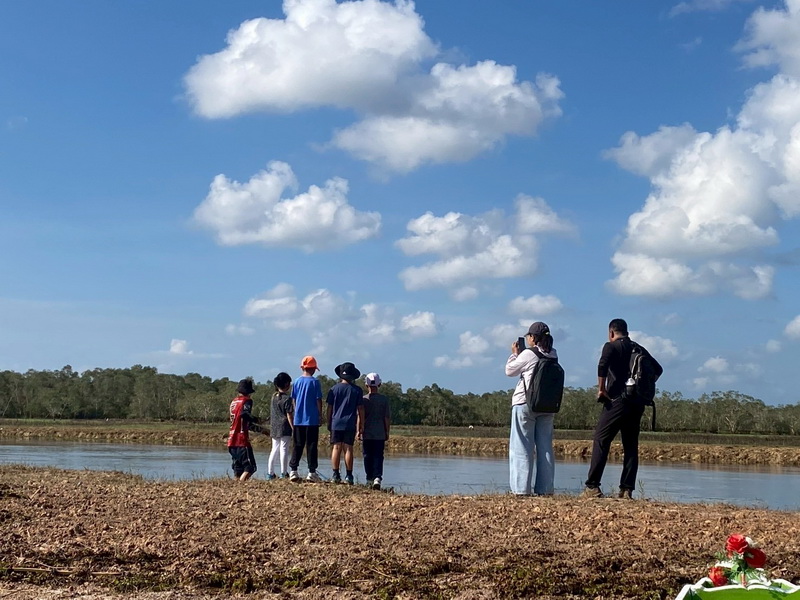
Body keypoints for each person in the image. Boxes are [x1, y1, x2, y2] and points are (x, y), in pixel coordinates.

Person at [583, 318, 663, 499]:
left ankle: (592, 487)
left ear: (611, 332)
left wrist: (601, 389)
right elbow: (658, 370)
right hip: (637, 403)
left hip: (616, 400)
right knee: (631, 445)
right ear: (627, 332)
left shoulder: (610, 346)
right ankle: (626, 490)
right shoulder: (639, 348)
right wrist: (641, 388)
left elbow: (602, 366)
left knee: (601, 440)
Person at [504, 322, 557, 496]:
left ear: (533, 338)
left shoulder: (528, 354)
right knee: (545, 447)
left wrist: (514, 354)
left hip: (525, 403)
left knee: (522, 446)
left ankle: (521, 490)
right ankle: (545, 489)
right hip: (547, 406)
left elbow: (509, 371)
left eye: (529, 336)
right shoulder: (553, 354)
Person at [326, 362, 365, 485]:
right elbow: (360, 409)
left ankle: (335, 475)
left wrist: (329, 421)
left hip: (336, 422)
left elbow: (329, 408)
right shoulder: (357, 390)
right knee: (348, 448)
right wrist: (361, 425)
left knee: (336, 447)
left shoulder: (334, 389)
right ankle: (349, 476)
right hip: (349, 423)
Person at [289, 356, 323, 483]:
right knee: (311, 445)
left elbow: (294, 399)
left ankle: (293, 470)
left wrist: (297, 412)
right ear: (313, 369)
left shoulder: (296, 382)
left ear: (303, 368)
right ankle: (311, 472)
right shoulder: (315, 382)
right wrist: (320, 415)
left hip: (298, 419)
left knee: (297, 445)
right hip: (312, 419)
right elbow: (318, 400)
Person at [227, 377, 267, 482]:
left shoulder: (234, 402)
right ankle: (241, 485)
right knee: (250, 467)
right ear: (248, 392)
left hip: (231, 441)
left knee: (238, 469)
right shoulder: (247, 401)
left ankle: (236, 486)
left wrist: (261, 430)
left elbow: (244, 423)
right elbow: (244, 415)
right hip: (241, 440)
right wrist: (257, 419)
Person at [359, 372, 391, 490]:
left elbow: (360, 416)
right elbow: (386, 417)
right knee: (378, 456)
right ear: (379, 384)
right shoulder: (384, 400)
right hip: (380, 433)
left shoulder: (363, 399)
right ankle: (377, 477)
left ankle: (369, 478)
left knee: (367, 455)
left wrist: (359, 430)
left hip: (367, 433)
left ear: (366, 385)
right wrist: (387, 431)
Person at [267, 372, 294, 480]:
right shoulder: (287, 399)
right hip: (284, 426)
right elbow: (289, 415)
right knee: (284, 449)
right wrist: (293, 428)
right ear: (286, 384)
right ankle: (284, 472)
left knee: (274, 449)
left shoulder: (273, 397)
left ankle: (270, 473)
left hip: (274, 426)